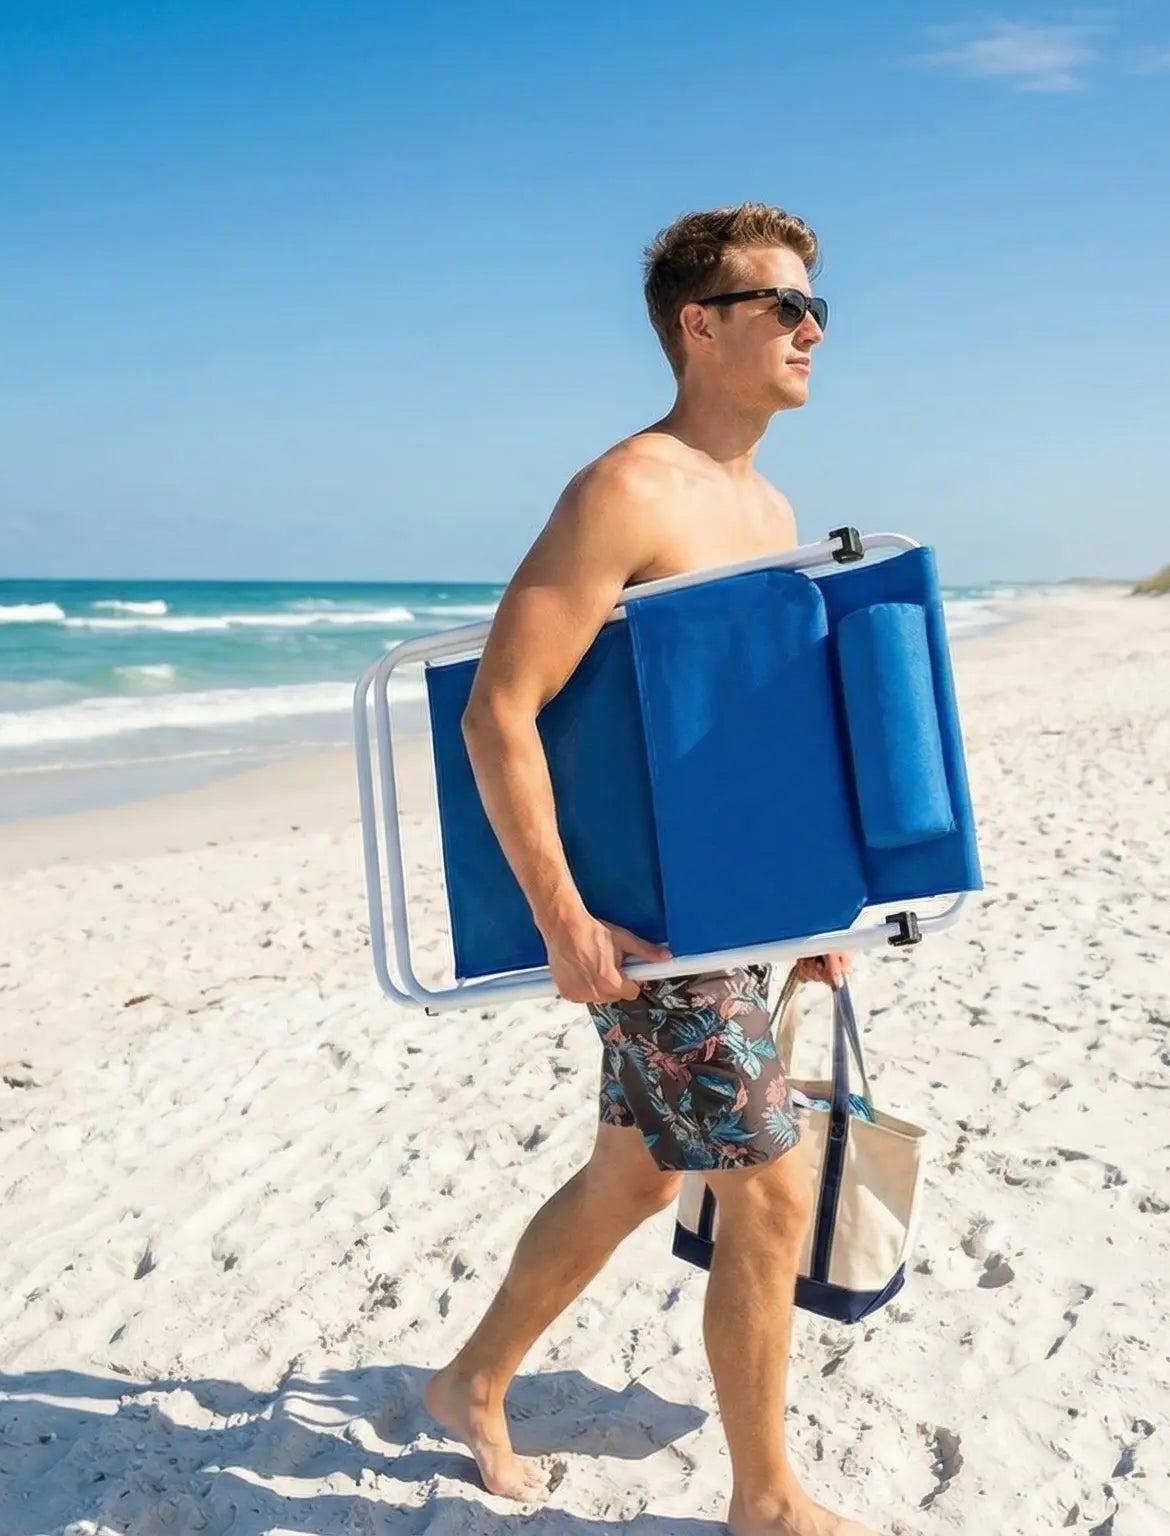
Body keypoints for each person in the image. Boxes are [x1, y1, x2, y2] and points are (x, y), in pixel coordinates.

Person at [421, 204, 880, 1536]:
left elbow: (750, 736)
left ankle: (471, 1381)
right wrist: (562, 920)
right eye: (780, 307)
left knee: (636, 1176)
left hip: (735, 910)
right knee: (775, 1185)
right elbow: (499, 710)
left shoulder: (767, 502)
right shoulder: (627, 488)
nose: (810, 330)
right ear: (700, 325)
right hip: (652, 925)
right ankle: (768, 1500)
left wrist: (816, 902)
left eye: (817, 309)